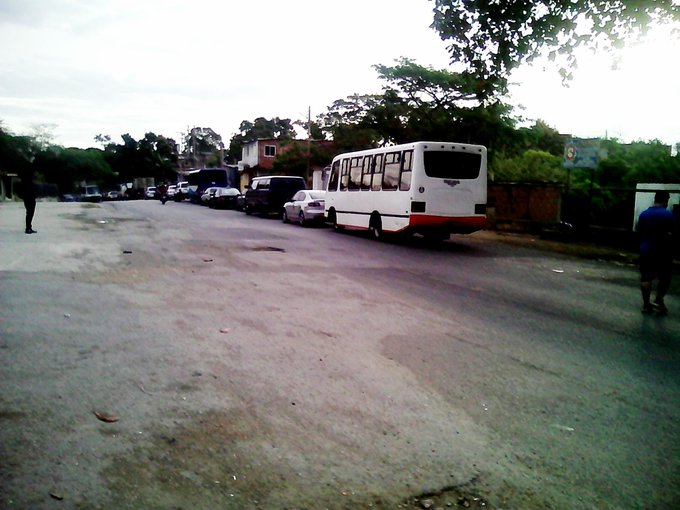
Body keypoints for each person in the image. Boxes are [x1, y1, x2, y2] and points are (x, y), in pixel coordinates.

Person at [637, 191, 676, 314]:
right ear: (666, 200)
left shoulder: (644, 214)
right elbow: (673, 233)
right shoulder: (668, 215)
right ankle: (659, 299)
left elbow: (639, 231)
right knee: (665, 276)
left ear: (655, 199)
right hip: (663, 251)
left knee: (646, 277)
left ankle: (646, 305)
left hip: (645, 250)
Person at [20, 168, 37, 234]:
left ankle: (29, 227)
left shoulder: (27, 181)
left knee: (30, 213)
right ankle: (28, 228)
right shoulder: (26, 181)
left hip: (30, 197)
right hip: (28, 197)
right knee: (29, 213)